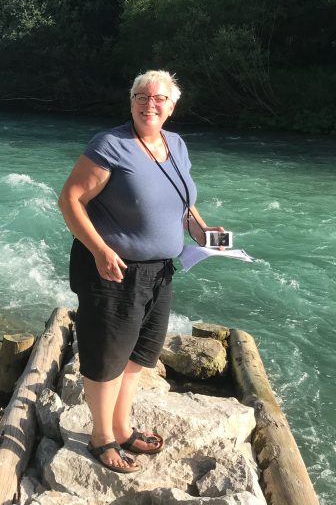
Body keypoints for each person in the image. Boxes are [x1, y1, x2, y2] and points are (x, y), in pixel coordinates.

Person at [57, 70, 224, 473]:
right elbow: (70, 200)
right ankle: (100, 437)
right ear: (130, 101)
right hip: (112, 271)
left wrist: (203, 232)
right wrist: (99, 249)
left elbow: (183, 203)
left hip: (160, 273)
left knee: (137, 358)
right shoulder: (110, 145)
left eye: (159, 98)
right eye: (141, 96)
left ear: (173, 105)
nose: (150, 104)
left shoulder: (176, 144)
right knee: (107, 358)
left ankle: (122, 425)